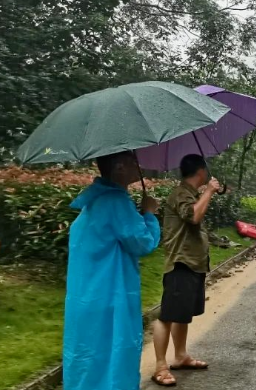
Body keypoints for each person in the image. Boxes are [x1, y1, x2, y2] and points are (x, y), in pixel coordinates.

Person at [63, 151, 161, 390]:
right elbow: (143, 242)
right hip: (109, 296)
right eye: (132, 162)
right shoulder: (115, 202)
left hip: (86, 296)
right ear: (118, 167)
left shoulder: (95, 200)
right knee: (114, 353)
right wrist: (149, 213)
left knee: (88, 356)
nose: (138, 166)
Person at [152, 154, 221, 386]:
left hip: (193, 263)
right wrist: (209, 191)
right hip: (180, 263)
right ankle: (160, 366)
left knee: (183, 314)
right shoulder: (181, 193)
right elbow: (193, 216)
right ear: (201, 172)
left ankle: (180, 356)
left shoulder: (190, 194)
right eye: (206, 171)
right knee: (168, 315)